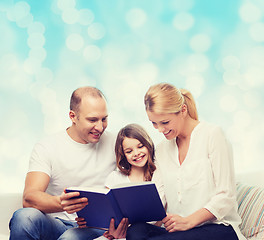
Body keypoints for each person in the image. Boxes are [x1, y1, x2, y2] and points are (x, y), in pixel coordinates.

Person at [126, 83, 246, 240]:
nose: (159, 129)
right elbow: (158, 197)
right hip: (181, 232)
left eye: (165, 122)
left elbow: (226, 196)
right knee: (136, 231)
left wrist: (188, 221)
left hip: (218, 228)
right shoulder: (162, 149)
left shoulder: (213, 135)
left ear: (183, 110)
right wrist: (126, 220)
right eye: (154, 123)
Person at [9, 86, 119, 240]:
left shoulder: (117, 143)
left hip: (95, 228)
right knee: (24, 217)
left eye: (104, 119)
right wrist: (60, 203)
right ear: (73, 116)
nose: (100, 127)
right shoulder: (47, 146)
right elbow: (29, 198)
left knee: (70, 238)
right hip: (57, 223)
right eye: (92, 120)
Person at [62, 123, 166, 240]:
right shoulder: (115, 178)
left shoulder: (159, 173)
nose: (136, 153)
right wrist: (88, 222)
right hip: (115, 233)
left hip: (147, 233)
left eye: (141, 146)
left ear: (149, 145)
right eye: (129, 151)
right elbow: (107, 213)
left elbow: (159, 219)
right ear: (123, 154)